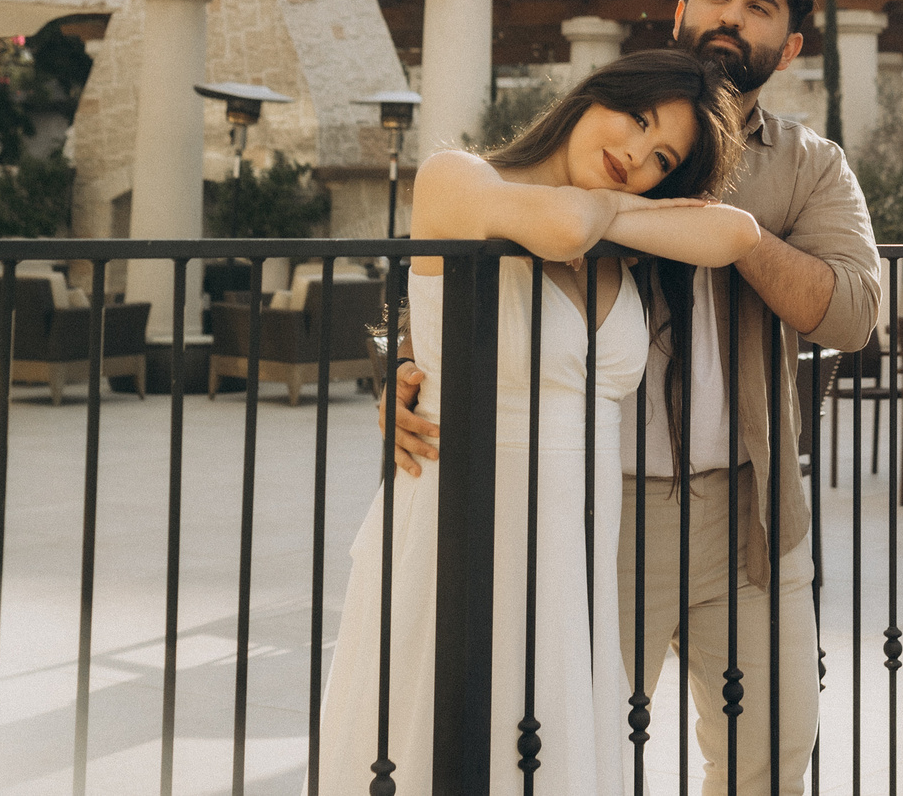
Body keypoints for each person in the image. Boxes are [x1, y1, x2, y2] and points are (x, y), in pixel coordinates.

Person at [393, 0, 883, 795]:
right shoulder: (609, 139)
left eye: (760, 6)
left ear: (791, 45)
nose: (733, 16)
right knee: (581, 758)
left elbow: (850, 314)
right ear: (681, 8)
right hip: (597, 508)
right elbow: (478, 263)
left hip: (752, 517)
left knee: (773, 759)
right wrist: (410, 361)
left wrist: (735, 239)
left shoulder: (811, 166)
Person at [315, 49, 758, 795]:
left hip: (574, 551)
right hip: (462, 524)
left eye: (661, 159)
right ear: (593, 94)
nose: (633, 155)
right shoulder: (460, 179)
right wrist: (622, 211)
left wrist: (615, 214)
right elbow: (556, 231)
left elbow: (736, 233)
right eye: (637, 118)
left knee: (550, 746)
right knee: (444, 741)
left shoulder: (614, 239)